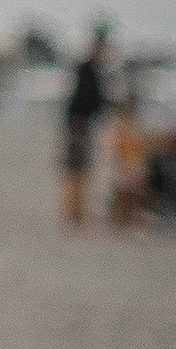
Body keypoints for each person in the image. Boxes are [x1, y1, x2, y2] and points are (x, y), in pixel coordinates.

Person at [60, 19, 114, 230]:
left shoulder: (89, 69)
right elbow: (88, 101)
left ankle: (76, 212)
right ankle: (75, 213)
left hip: (78, 125)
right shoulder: (89, 70)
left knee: (77, 169)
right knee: (77, 169)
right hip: (78, 126)